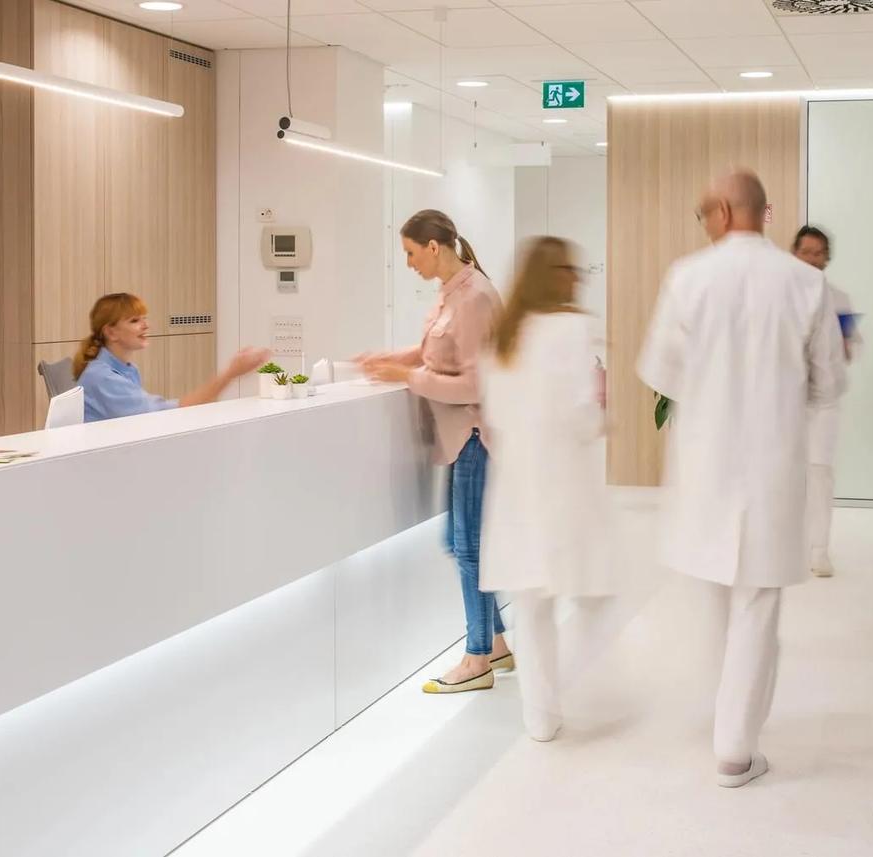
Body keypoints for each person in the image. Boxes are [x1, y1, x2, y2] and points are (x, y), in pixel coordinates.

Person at [638, 170, 845, 788]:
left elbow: (661, 370)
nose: (704, 223)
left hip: (705, 467)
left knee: (713, 601)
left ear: (726, 212)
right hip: (770, 468)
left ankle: (721, 718)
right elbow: (829, 384)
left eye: (705, 212)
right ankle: (735, 745)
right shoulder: (808, 284)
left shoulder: (687, 278)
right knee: (756, 606)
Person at [359, 209, 511, 694]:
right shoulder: (452, 294)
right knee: (461, 543)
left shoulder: (476, 298)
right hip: (459, 438)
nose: (407, 264)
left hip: (474, 435)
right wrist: (392, 360)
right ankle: (499, 644)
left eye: (409, 253)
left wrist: (409, 377)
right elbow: (436, 351)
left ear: (432, 246)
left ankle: (477, 657)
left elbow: (476, 382)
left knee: (469, 549)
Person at [479, 237, 618, 741]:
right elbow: (582, 414)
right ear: (552, 274)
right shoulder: (573, 329)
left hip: (516, 488)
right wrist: (603, 420)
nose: (577, 276)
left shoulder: (504, 335)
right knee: (594, 597)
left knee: (532, 605)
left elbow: (491, 413)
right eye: (569, 268)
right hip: (564, 486)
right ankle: (558, 691)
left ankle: (540, 715)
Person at [74, 292, 268, 423]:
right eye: (134, 321)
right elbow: (166, 415)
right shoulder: (103, 378)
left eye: (144, 318)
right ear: (111, 332)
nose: (145, 325)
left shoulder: (126, 369)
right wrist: (230, 374)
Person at [793, 225, 857, 577]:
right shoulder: (782, 296)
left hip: (825, 403)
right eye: (807, 251)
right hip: (789, 402)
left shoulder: (839, 299)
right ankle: (792, 546)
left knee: (819, 472)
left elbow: (850, 347)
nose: (813, 259)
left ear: (827, 258)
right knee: (790, 474)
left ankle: (819, 550)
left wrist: (843, 346)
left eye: (819, 252)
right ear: (795, 254)